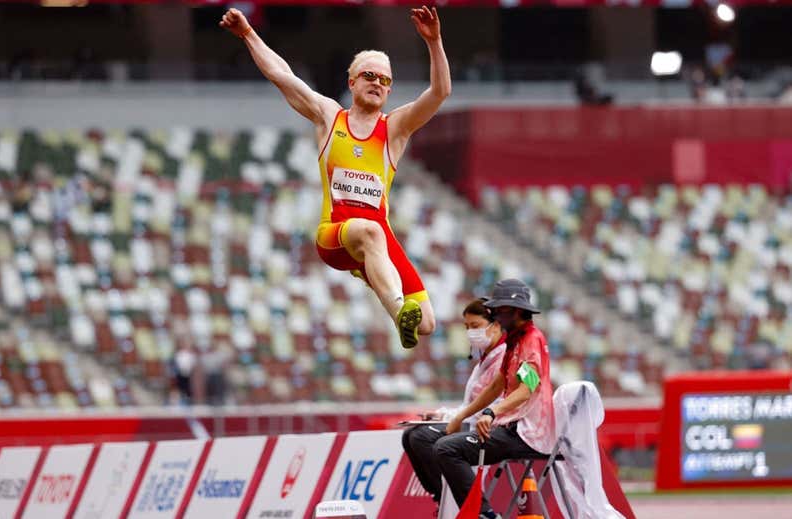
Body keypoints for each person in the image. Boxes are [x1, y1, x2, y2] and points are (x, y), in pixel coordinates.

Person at [220, 6, 450, 348]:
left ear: (389, 91)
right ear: (352, 82)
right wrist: (249, 34)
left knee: (428, 322)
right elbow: (282, 75)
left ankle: (375, 276)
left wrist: (434, 42)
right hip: (334, 235)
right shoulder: (329, 117)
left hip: (375, 237)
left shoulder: (395, 128)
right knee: (372, 233)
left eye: (384, 80)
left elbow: (440, 92)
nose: (377, 83)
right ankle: (398, 308)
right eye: (369, 76)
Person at [434, 279, 555, 519]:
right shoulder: (514, 340)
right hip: (511, 428)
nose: (495, 314)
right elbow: (496, 385)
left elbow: (527, 389)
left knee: (447, 448)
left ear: (517, 310)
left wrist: (492, 413)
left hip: (526, 433)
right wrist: (461, 415)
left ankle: (485, 515)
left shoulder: (531, 340)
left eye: (500, 310)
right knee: (446, 444)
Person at [402, 299, 507, 505]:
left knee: (421, 438)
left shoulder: (504, 357)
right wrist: (442, 415)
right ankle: (441, 499)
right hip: (470, 421)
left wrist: (454, 417)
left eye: (475, 326)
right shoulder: (484, 361)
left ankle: (450, 500)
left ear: (495, 326)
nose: (470, 332)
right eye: (467, 327)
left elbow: (490, 406)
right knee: (409, 436)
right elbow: (471, 405)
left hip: (490, 426)